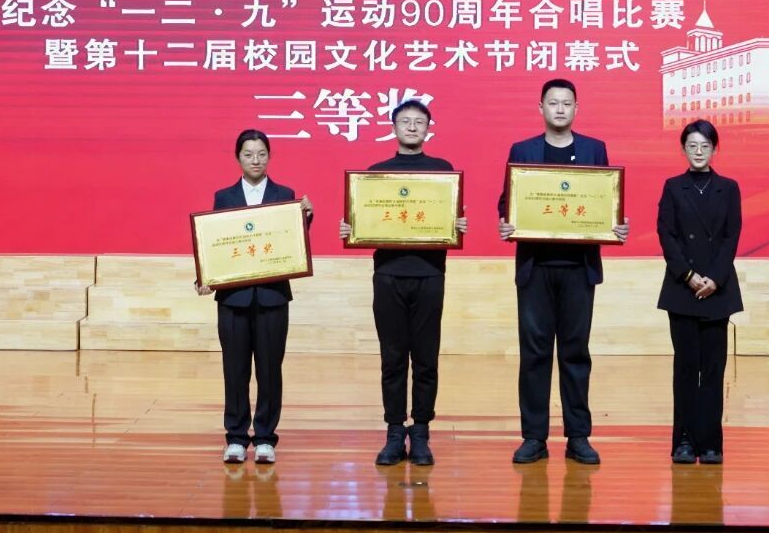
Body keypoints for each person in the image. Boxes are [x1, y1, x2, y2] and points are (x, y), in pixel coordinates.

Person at [498, 78, 629, 465]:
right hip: (536, 268)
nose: (559, 109)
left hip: (578, 268)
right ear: (540, 108)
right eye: (552, 102)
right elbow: (507, 200)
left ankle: (578, 436)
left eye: (566, 103)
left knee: (575, 353)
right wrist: (507, 221)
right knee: (534, 354)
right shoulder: (522, 150)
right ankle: (533, 437)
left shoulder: (594, 149)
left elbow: (607, 200)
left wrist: (615, 225)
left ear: (576, 108)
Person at [339, 99, 467, 466]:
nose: (412, 127)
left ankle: (421, 431)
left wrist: (456, 225)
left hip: (429, 274)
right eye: (405, 121)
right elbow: (364, 223)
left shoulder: (442, 172)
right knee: (393, 358)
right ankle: (395, 431)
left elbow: (450, 219)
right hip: (389, 275)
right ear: (393, 127)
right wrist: (353, 228)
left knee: (426, 358)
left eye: (419, 122)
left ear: (428, 128)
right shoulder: (376, 175)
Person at [197, 129, 313, 465]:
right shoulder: (224, 197)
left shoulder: (285, 195)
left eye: (262, 154)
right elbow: (216, 245)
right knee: (234, 370)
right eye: (248, 154)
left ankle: (264, 437)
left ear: (269, 156)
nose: (256, 160)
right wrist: (205, 277)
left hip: (272, 297)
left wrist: (304, 218)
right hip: (233, 300)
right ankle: (235, 437)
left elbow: (290, 243)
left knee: (269, 370)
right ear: (238, 158)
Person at [656, 119, 742, 465]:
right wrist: (689, 275)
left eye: (705, 146)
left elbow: (731, 237)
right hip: (682, 290)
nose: (698, 151)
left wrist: (714, 279)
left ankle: (710, 443)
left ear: (714, 149)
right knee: (686, 368)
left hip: (717, 291)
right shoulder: (673, 187)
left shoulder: (729, 188)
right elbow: (666, 235)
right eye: (692, 146)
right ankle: (684, 441)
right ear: (683, 149)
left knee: (714, 369)